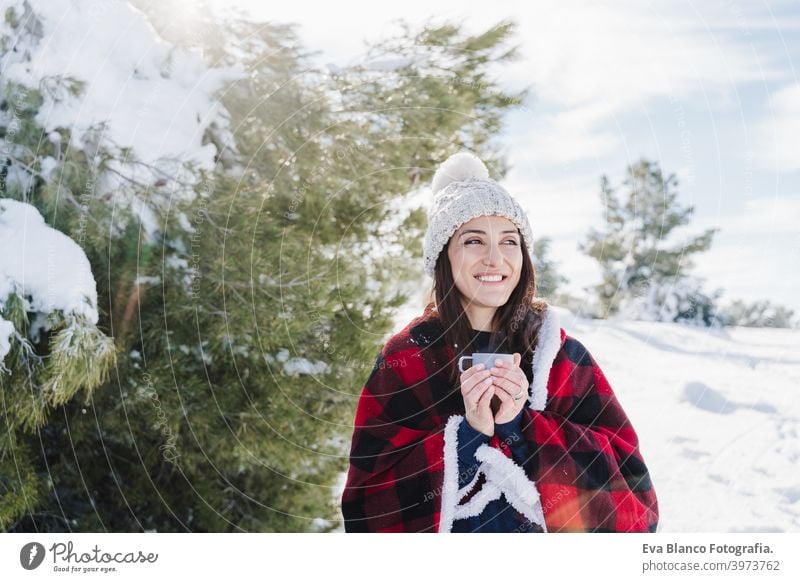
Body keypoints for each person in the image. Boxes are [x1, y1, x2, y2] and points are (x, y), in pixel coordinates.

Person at [341, 152, 659, 533]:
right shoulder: (407, 358)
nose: (495, 258)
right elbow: (367, 512)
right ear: (444, 257)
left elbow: (638, 506)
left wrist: (520, 426)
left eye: (510, 241)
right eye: (474, 240)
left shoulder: (561, 357)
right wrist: (467, 436)